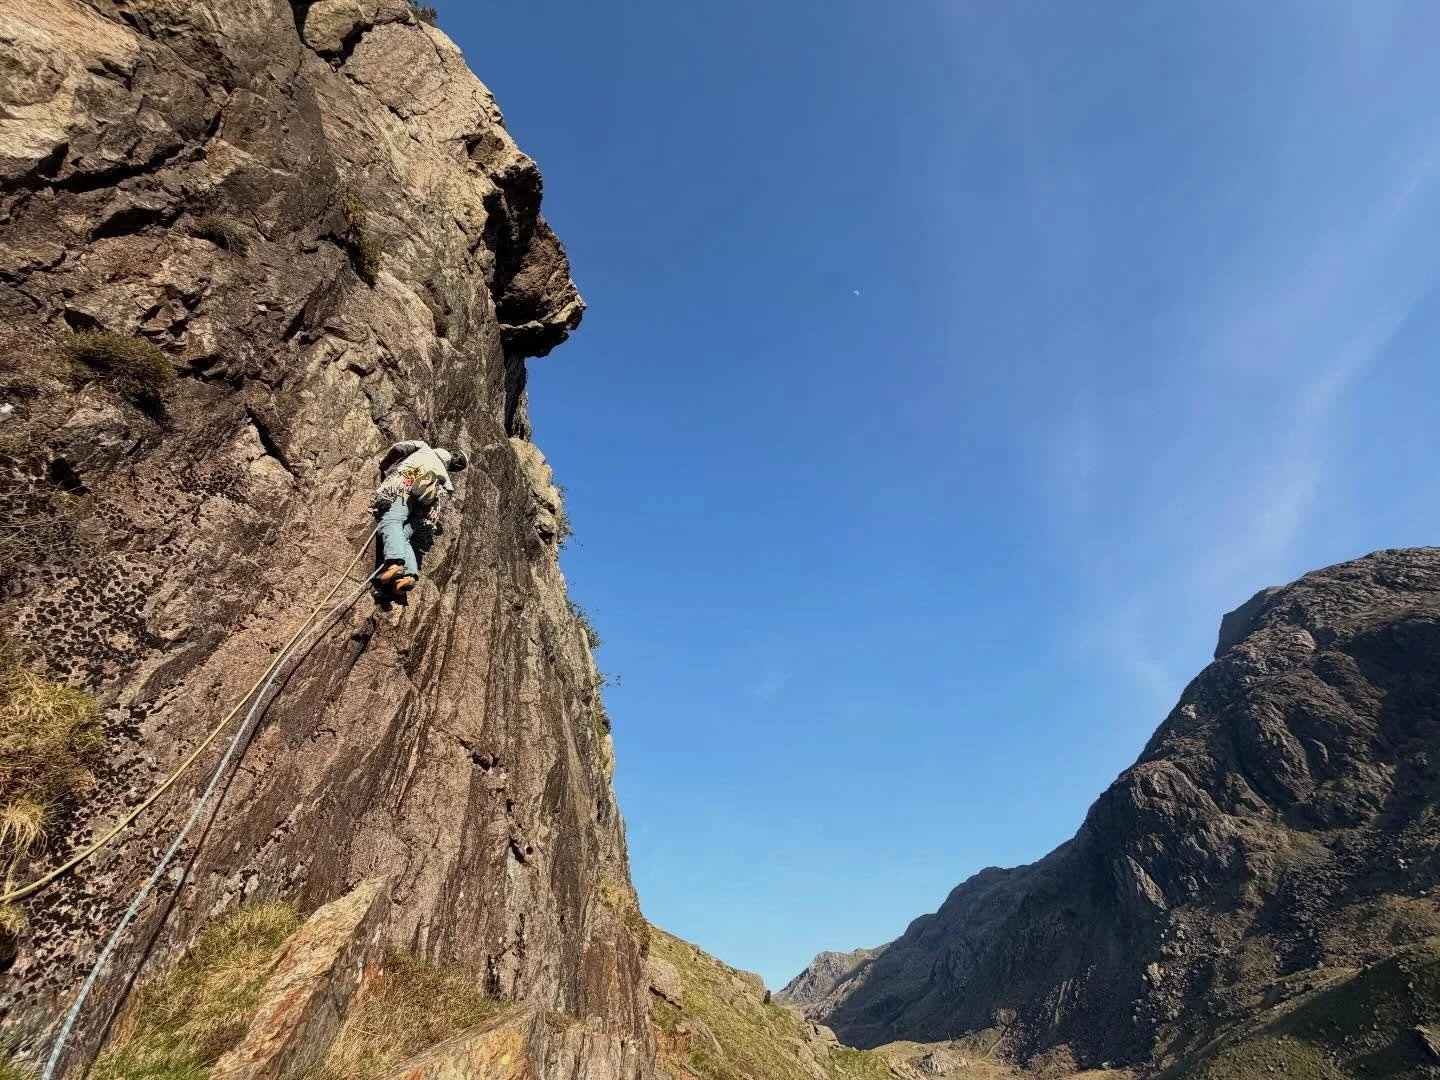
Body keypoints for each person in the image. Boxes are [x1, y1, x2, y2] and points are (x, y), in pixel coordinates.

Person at [371, 439, 468, 596]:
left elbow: (399, 448)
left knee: (391, 521)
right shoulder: (448, 484)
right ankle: (408, 575)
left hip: (401, 491)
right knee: (403, 537)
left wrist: (384, 464)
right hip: (422, 515)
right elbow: (438, 505)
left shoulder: (423, 447)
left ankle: (395, 563)